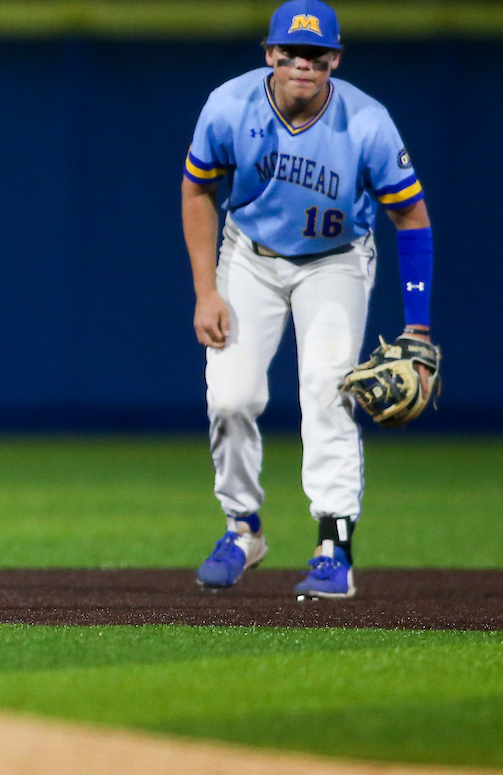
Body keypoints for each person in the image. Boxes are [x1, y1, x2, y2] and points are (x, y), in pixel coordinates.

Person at [182, 0, 434, 599]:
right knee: (231, 398)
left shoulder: (368, 122)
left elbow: (412, 218)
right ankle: (242, 529)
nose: (302, 64)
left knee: (328, 390)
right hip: (250, 256)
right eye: (290, 52)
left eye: (315, 55)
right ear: (269, 54)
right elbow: (197, 191)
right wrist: (206, 291)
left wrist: (418, 329)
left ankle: (333, 548)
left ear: (334, 60)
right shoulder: (228, 106)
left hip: (336, 261)